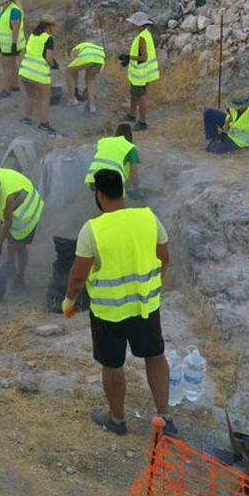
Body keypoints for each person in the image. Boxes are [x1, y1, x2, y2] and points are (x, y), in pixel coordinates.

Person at [63, 169, 175, 437]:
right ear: (121, 191)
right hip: (145, 306)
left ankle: (117, 420)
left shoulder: (93, 230)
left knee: (113, 365)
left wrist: (69, 302)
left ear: (98, 194)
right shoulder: (148, 217)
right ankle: (165, 418)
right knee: (155, 356)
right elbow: (164, 258)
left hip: (109, 313)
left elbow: (78, 276)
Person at [18, 14, 59, 135]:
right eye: (54, 27)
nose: (54, 29)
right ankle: (44, 124)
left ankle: (27, 118)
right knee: (45, 98)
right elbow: (48, 58)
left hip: (25, 72)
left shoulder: (32, 36)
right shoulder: (48, 38)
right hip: (39, 74)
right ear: (49, 27)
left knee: (30, 96)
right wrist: (54, 64)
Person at [203, 94, 249, 161]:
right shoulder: (234, 101)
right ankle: (213, 139)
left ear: (245, 105)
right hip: (233, 127)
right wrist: (225, 129)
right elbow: (231, 115)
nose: (234, 107)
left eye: (237, 107)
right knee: (209, 113)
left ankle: (216, 145)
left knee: (212, 150)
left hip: (241, 139)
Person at [122, 12, 159, 131]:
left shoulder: (142, 38)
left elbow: (143, 57)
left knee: (140, 97)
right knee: (134, 95)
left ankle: (142, 122)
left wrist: (129, 57)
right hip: (143, 73)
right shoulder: (146, 34)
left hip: (140, 75)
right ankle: (131, 115)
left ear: (139, 24)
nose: (132, 25)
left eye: (134, 23)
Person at [85, 123, 140, 195]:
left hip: (93, 180)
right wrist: (136, 188)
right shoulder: (130, 147)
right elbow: (134, 172)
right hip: (111, 182)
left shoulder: (104, 142)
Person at [0, 0, 25, 99]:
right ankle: (15, 85)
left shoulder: (14, 11)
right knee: (12, 65)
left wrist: (14, 45)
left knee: (6, 67)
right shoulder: (5, 9)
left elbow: (15, 29)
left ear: (7, 0)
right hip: (6, 45)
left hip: (10, 45)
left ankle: (6, 89)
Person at [65, 40, 106, 114]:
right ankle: (92, 106)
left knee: (68, 72)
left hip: (88, 57)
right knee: (90, 79)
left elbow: (73, 64)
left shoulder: (74, 50)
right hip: (100, 58)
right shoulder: (84, 46)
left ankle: (72, 99)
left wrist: (70, 64)